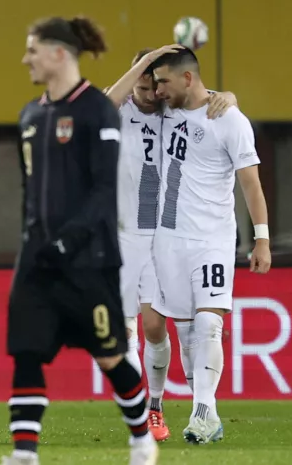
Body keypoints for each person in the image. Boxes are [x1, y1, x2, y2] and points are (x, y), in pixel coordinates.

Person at [7, 17, 157, 465]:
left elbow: (103, 192)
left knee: (111, 356)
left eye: (31, 50)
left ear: (58, 54)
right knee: (27, 353)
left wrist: (68, 242)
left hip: (89, 261)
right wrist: (33, 245)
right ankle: (24, 454)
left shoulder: (96, 110)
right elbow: (28, 191)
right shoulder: (30, 115)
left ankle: (140, 438)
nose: (25, 59)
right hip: (37, 262)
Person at [103, 46, 237, 441]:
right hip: (125, 237)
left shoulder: (171, 111)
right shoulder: (118, 109)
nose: (150, 94)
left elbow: (204, 102)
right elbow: (105, 101)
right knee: (131, 329)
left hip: (166, 235)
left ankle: (185, 407)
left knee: (165, 330)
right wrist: (139, 67)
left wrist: (225, 96)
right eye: (142, 86)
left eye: (154, 86)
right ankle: (146, 412)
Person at [148, 48, 271, 444]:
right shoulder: (160, 113)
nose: (157, 90)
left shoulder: (230, 119)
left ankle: (201, 412)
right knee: (187, 333)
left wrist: (262, 238)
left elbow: (250, 182)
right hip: (168, 240)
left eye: (164, 81)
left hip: (213, 240)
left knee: (208, 324)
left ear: (186, 79)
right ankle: (210, 415)